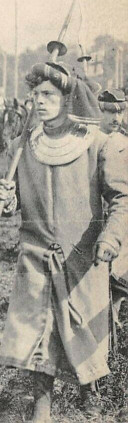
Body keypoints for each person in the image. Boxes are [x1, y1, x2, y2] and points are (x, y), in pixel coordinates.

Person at [0, 63, 128, 422]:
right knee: (40, 327)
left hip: (83, 255)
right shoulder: (22, 147)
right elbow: (17, 201)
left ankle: (91, 389)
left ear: (66, 98)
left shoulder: (98, 144)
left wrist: (111, 237)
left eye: (48, 95)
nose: (39, 101)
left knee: (82, 328)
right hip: (36, 254)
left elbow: (121, 198)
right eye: (35, 95)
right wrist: (7, 199)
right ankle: (42, 402)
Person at [97, 89, 128, 346]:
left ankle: (113, 346)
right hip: (94, 224)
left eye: (120, 111)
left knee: (117, 284)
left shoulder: (125, 143)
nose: (115, 117)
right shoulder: (90, 143)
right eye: (109, 111)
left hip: (121, 222)